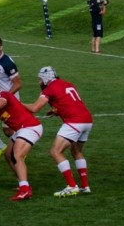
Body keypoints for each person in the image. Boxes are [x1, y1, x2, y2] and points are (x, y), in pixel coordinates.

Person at [23, 67, 93, 197]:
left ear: (46, 78)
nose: (39, 82)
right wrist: (57, 110)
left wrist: (15, 102)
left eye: (40, 79)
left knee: (55, 152)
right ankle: (85, 186)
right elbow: (70, 101)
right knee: (76, 151)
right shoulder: (68, 83)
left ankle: (72, 186)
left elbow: (34, 108)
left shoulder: (50, 89)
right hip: (87, 120)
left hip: (74, 121)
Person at [0, 83, 42, 201]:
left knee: (17, 156)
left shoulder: (2, 95)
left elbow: (0, 103)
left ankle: (25, 190)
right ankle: (23, 183)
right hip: (22, 130)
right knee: (8, 155)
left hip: (29, 128)